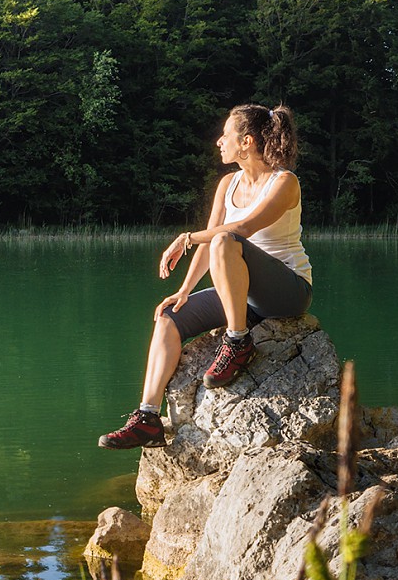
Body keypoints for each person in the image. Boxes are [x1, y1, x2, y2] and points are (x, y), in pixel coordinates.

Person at [99, 104, 311, 449]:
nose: (218, 141)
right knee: (169, 317)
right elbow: (212, 239)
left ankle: (238, 342)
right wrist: (183, 291)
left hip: (287, 291)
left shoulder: (284, 181)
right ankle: (148, 418)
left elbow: (240, 230)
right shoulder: (228, 183)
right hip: (244, 295)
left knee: (228, 240)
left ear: (247, 141)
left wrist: (186, 237)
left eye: (226, 135)